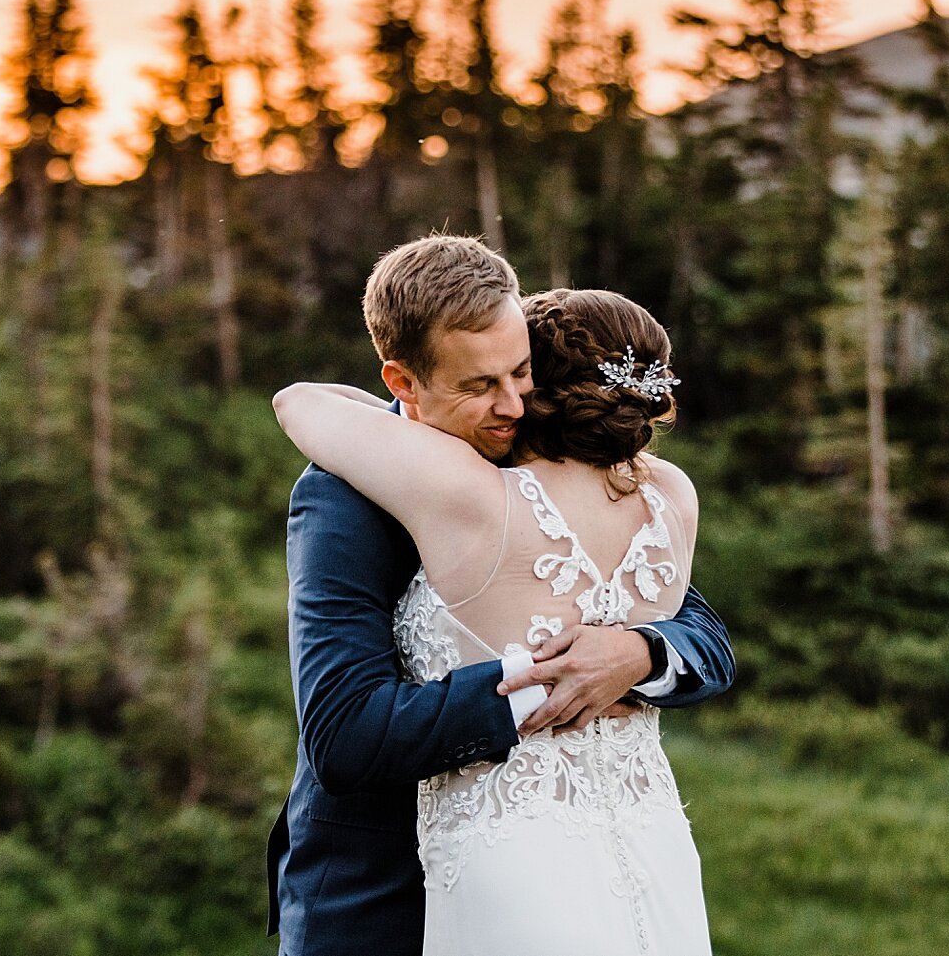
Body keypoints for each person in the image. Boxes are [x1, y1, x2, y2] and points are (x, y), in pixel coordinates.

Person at [266, 234, 731, 955]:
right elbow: (345, 729)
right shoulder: (340, 494)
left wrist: (636, 652)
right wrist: (543, 688)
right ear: (403, 382)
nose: (514, 404)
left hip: (588, 869)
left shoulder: (554, 464)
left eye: (523, 372)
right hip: (381, 897)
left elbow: (699, 630)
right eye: (480, 385)